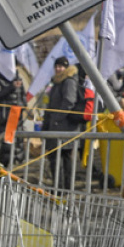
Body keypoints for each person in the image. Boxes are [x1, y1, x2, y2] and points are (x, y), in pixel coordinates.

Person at [41, 57, 83, 186]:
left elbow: (69, 102)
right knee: (58, 157)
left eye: (61, 66)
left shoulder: (68, 81)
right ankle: (61, 186)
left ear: (66, 68)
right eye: (56, 66)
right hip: (57, 126)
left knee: (62, 157)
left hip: (64, 126)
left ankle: (62, 186)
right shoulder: (57, 82)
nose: (58, 69)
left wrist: (56, 118)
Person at [0, 68, 25, 165]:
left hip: (17, 118)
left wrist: (21, 107)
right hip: (2, 119)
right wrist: (11, 87)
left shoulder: (18, 80)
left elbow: (23, 98)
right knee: (4, 147)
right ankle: (2, 172)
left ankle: (14, 169)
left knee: (17, 145)